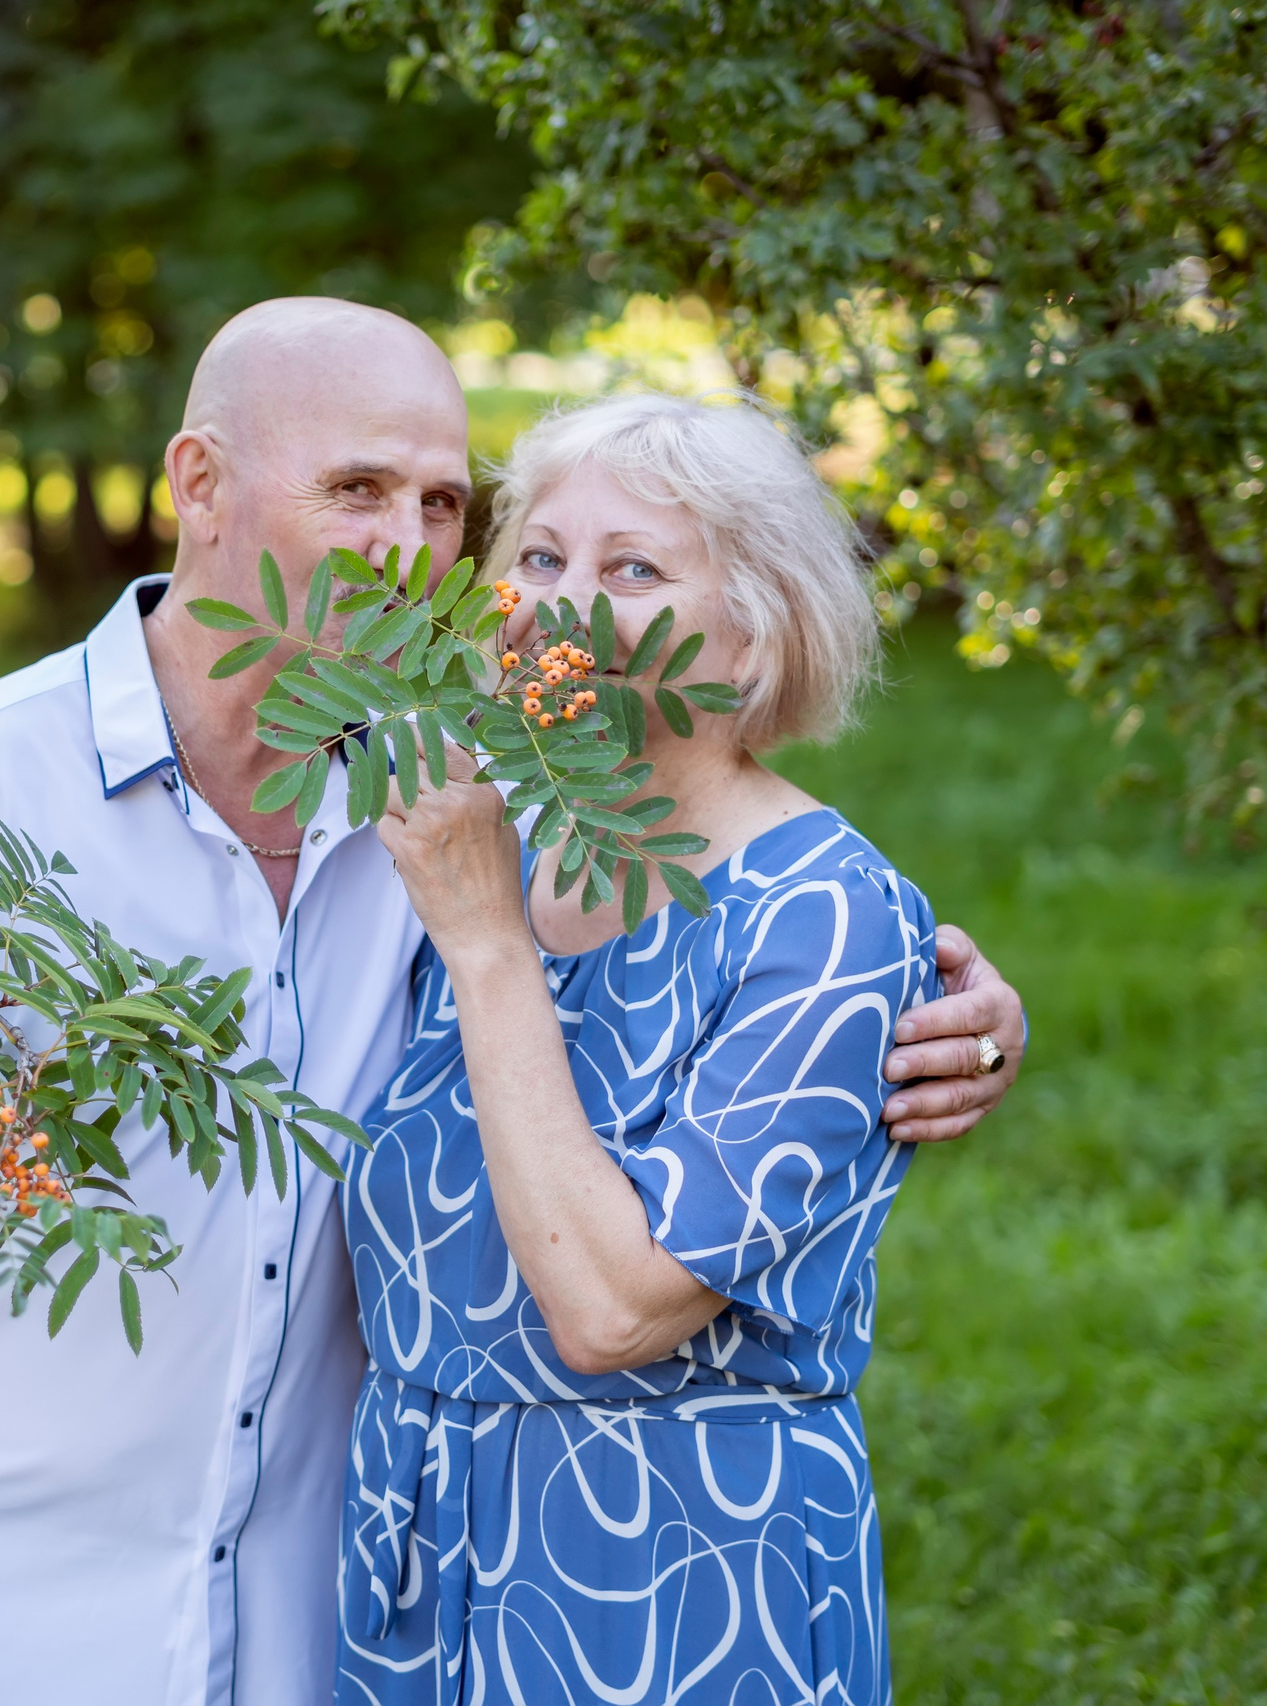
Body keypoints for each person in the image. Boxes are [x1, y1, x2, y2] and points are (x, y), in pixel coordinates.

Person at [0, 303, 1026, 1706]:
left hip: (368, 1626)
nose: (407, 545)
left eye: (441, 504)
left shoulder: (461, 814)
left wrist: (960, 1012)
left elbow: (761, 916)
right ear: (200, 485)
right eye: (357, 489)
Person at [344, 390, 939, 1703]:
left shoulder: (824, 915)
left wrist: (488, 943)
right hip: (422, 1564)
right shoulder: (476, 832)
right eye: (541, 557)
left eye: (632, 571)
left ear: (756, 630)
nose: (563, 607)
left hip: (677, 1574)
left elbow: (614, 1309)